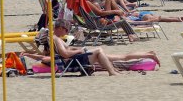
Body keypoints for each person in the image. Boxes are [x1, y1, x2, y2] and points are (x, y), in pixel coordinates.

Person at [21, 19, 160, 76]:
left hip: (75, 60)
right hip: (74, 61)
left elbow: (49, 56)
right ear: (61, 28)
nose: (67, 33)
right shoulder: (56, 39)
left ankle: (148, 54)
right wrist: (80, 50)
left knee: (120, 57)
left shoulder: (52, 39)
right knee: (102, 51)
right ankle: (113, 72)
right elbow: (64, 54)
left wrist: (28, 54)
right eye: (66, 30)